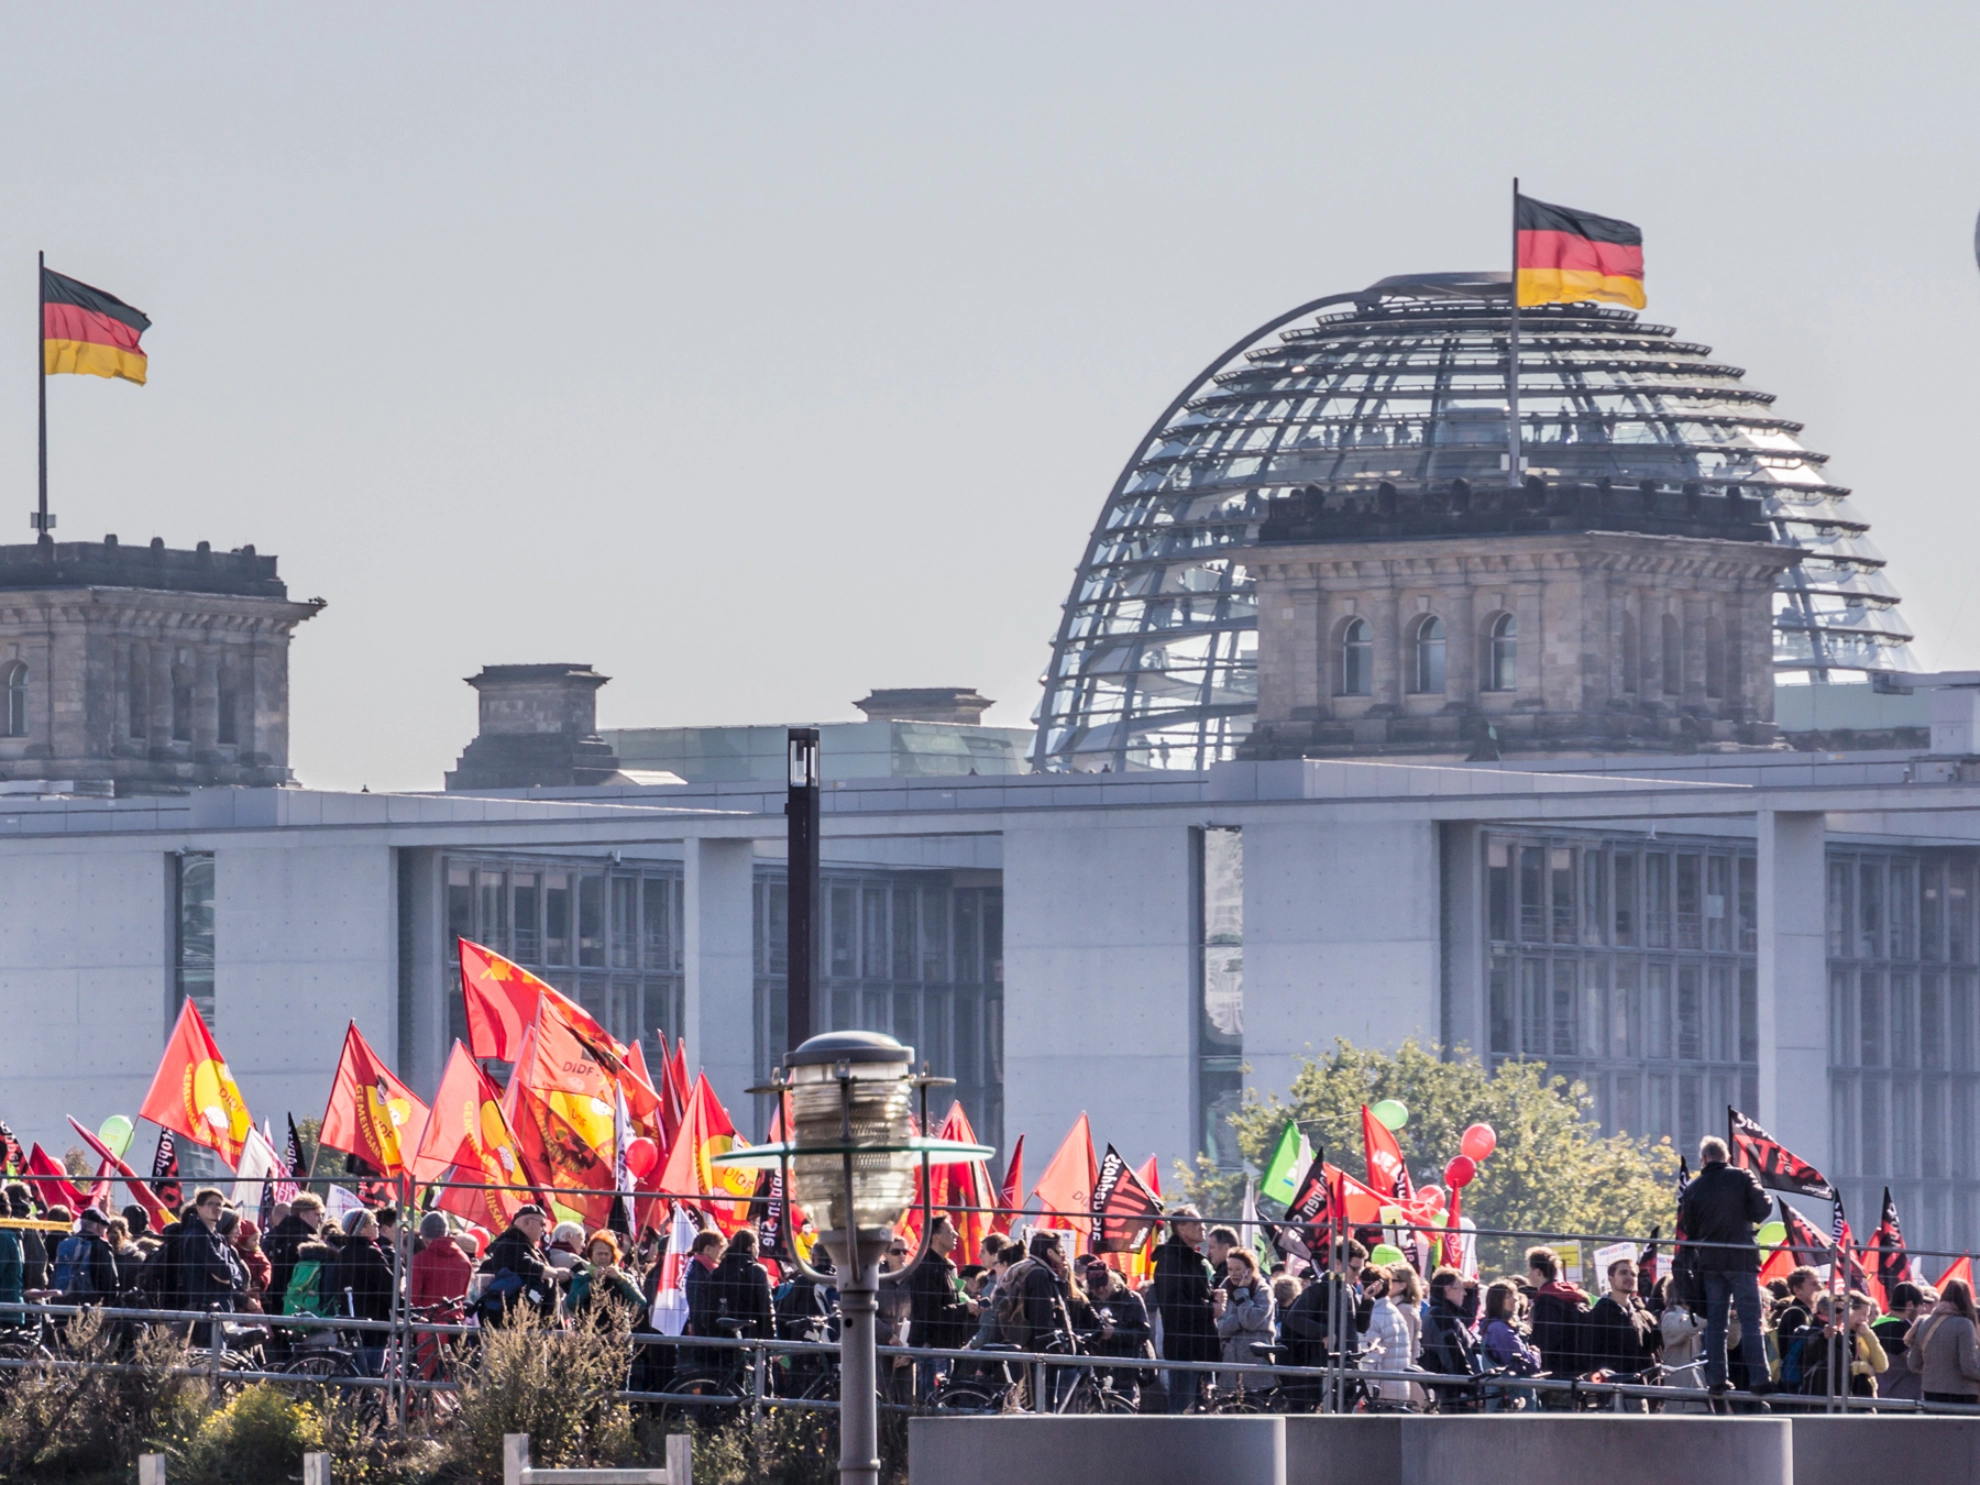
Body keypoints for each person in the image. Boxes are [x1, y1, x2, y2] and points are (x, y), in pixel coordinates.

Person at [1676, 1135, 1770, 1402]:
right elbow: (1762, 1210)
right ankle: (1759, 1379)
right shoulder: (1743, 1177)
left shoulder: (1693, 1188)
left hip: (1711, 1263)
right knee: (1751, 1321)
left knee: (1716, 1324)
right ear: (1727, 1157)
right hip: (1742, 1260)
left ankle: (1717, 1380)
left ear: (1704, 1159)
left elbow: (1690, 1229)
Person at [1151, 1207, 1218, 1414]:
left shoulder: (1192, 1259)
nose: (1203, 1227)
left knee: (1203, 1414)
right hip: (1184, 1350)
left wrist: (1213, 1298)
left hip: (1201, 1350)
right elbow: (1174, 1307)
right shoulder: (1171, 1261)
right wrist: (1210, 1309)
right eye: (1197, 1223)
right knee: (1183, 1415)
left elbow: (1192, 1298)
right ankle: (1177, 1448)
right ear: (1180, 1227)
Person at [908, 1216, 977, 1394]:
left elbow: (947, 1305)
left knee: (941, 1399)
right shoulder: (927, 1268)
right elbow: (931, 1314)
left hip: (944, 1346)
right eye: (949, 1230)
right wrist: (964, 1309)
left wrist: (968, 1308)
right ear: (936, 1237)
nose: (956, 1234)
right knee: (932, 1404)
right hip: (931, 1347)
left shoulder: (944, 1267)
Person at [326, 1209, 394, 1373]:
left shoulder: (343, 1253)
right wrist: (406, 1308)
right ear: (361, 1229)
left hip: (350, 1321)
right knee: (371, 1375)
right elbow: (388, 1288)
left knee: (355, 1373)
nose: (377, 1225)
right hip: (374, 1325)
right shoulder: (372, 1254)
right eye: (372, 1222)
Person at [478, 1203, 566, 1323]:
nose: (544, 1230)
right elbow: (527, 1266)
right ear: (527, 1222)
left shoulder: (525, 1245)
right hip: (512, 1321)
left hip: (528, 1320)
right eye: (542, 1224)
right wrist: (556, 1273)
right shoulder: (509, 1244)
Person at [177, 1188, 245, 1342]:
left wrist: (229, 1275)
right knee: (212, 1360)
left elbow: (239, 1275)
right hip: (206, 1309)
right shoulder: (197, 1236)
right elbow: (223, 1272)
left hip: (224, 1306)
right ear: (199, 1208)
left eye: (219, 1204)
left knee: (223, 1359)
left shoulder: (219, 1238)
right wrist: (229, 1275)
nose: (216, 1208)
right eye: (210, 1204)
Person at [1081, 1259, 1152, 1402]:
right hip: (1096, 1369)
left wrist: (1115, 1334)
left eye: (1103, 1285)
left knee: (1123, 1413)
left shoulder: (1132, 1299)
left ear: (1112, 1280)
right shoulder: (1087, 1300)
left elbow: (1143, 1332)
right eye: (1095, 1287)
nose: (1100, 1290)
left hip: (1125, 1369)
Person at [1906, 1277, 1980, 1408]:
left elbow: (1913, 1364)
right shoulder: (1964, 1324)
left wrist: (1937, 1371)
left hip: (1930, 1394)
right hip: (1962, 1396)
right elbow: (1969, 1368)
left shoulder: (1924, 1323)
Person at [1524, 1246, 1595, 1381]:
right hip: (1578, 1370)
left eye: (1530, 1270)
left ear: (1538, 1272)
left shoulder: (1546, 1301)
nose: (1528, 1275)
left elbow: (1544, 1342)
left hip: (1555, 1372)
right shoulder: (1571, 1295)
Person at [1214, 1249, 1276, 1394]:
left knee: (1256, 1407)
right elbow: (1219, 1327)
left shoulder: (1263, 1292)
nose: (1234, 1274)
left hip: (1256, 1362)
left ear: (1249, 1270)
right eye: (1230, 1269)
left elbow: (1250, 1321)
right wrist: (1240, 1319)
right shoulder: (1223, 1291)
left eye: (1238, 1269)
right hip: (1229, 1363)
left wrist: (1242, 1292)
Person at [1361, 1263, 1422, 1406]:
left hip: (1381, 1392)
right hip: (1399, 1387)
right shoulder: (1395, 1311)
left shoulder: (1375, 1315)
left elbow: (1372, 1361)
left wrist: (1367, 1395)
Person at [1421, 1267, 1482, 1402]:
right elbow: (1454, 1356)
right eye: (1461, 1288)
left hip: (1451, 1390)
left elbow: (1466, 1318)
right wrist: (1468, 1389)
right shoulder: (1441, 1317)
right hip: (1455, 1393)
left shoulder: (1443, 1313)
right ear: (1448, 1289)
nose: (1465, 1293)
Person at [569, 1231, 647, 1330]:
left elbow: (641, 1304)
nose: (603, 1257)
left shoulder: (626, 1277)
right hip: (587, 1334)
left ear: (613, 1256)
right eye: (599, 1254)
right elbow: (571, 1304)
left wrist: (621, 1280)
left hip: (618, 1336)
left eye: (606, 1254)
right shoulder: (582, 1277)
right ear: (591, 1255)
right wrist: (593, 1283)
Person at [263, 1192, 325, 1315]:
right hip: (295, 1303)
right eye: (317, 1214)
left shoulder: (271, 1236)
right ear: (303, 1215)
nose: (320, 1220)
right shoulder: (307, 1241)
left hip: (269, 1300)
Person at [409, 1213, 473, 1323]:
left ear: (425, 1239)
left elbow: (413, 1296)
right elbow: (463, 1295)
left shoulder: (421, 1259)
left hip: (427, 1323)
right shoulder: (463, 1258)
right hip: (455, 1322)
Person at [1871, 1282, 1929, 1402]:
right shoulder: (1904, 1330)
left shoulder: (1874, 1326)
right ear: (1910, 1304)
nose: (1923, 1309)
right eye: (1921, 1305)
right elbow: (1916, 1363)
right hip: (1903, 1399)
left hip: (1877, 1397)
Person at [52, 1207, 121, 1303]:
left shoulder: (64, 1243)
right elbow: (110, 1283)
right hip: (89, 1305)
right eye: (104, 1229)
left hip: (62, 1302)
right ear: (98, 1227)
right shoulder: (100, 1246)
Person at [4, 1184, 49, 1294]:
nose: (31, 1203)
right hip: (26, 1291)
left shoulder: (28, 1224)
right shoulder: (25, 1226)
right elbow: (35, 1262)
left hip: (19, 1290)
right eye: (29, 1198)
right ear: (20, 1199)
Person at [232, 1217, 271, 1313]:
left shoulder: (258, 1255)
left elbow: (266, 1268)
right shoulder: (236, 1253)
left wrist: (261, 1281)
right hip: (240, 1292)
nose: (257, 1243)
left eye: (258, 1239)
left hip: (254, 1291)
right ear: (243, 1240)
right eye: (254, 1240)